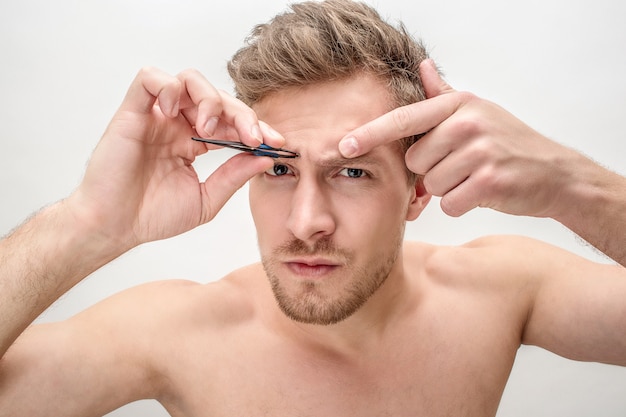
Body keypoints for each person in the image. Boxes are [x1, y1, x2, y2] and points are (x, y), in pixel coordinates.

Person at [0, 0, 625, 416]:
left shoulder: (504, 289)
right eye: (278, 169)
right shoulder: (178, 331)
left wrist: (574, 185)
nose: (306, 222)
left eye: (351, 171)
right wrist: (87, 222)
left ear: (417, 190)